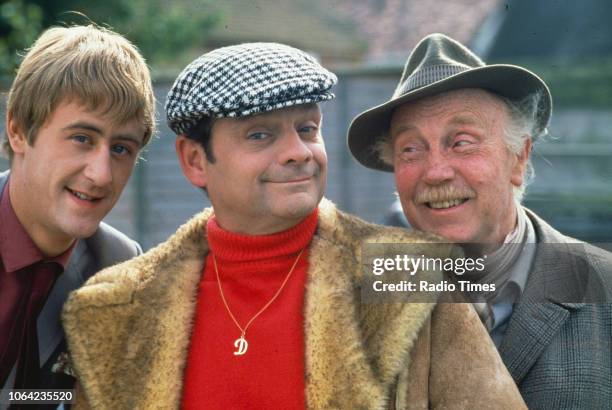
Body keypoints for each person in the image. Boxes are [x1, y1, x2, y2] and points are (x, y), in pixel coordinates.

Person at [62, 42, 525, 409]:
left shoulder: (409, 275)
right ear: (195, 160)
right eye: (261, 134)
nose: (298, 152)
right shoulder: (114, 306)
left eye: (307, 129)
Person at [348, 33, 612, 408]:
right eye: (411, 149)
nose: (436, 172)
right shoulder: (358, 297)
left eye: (462, 142)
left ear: (519, 159)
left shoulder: (602, 286)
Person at [0, 24, 155, 396]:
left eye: (121, 149)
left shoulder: (117, 267)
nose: (101, 175)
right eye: (82, 139)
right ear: (18, 131)